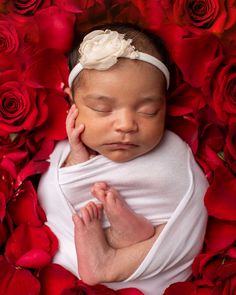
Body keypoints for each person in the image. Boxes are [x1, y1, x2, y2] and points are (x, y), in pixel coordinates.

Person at [37, 23, 209, 295]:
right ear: (72, 104)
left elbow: (195, 204)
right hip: (77, 269)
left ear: (165, 105)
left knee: (191, 214)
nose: (126, 125)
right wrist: (79, 162)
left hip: (155, 269)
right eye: (102, 109)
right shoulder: (62, 152)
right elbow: (53, 196)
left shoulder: (175, 153)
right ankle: (120, 237)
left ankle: (119, 251)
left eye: (149, 111)